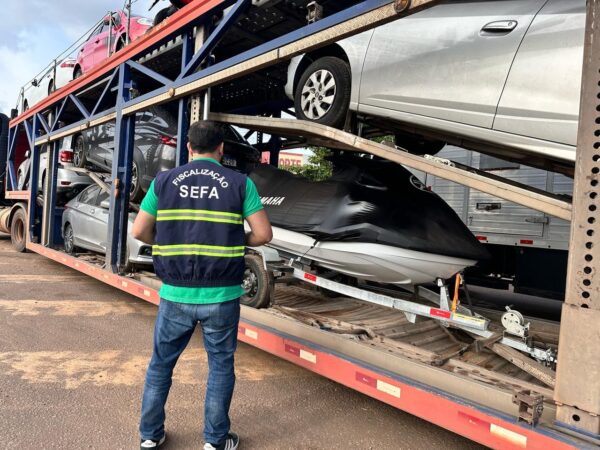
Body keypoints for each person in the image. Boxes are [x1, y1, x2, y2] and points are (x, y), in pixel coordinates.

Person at [132, 120, 273, 450]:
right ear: (221, 149)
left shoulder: (164, 182)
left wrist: (167, 241)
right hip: (221, 295)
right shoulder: (240, 184)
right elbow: (264, 234)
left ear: (189, 148)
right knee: (220, 367)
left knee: (160, 366)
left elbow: (139, 231)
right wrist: (235, 240)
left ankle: (150, 436)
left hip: (175, 293)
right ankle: (214, 440)